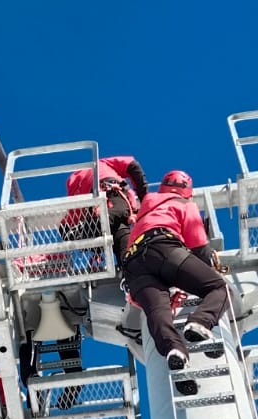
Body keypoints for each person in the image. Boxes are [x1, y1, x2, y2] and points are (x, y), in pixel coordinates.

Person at [120, 171, 230, 394]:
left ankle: (174, 350)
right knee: (218, 288)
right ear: (187, 189)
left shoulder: (146, 207)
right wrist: (206, 265)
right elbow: (198, 244)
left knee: (157, 312)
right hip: (166, 249)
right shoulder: (183, 203)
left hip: (133, 263)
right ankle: (200, 322)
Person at [60, 155, 150, 266]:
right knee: (120, 229)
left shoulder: (76, 191)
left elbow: (66, 224)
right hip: (113, 194)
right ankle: (130, 269)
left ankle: (129, 268)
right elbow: (132, 165)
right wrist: (144, 197)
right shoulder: (102, 164)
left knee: (118, 228)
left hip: (95, 206)